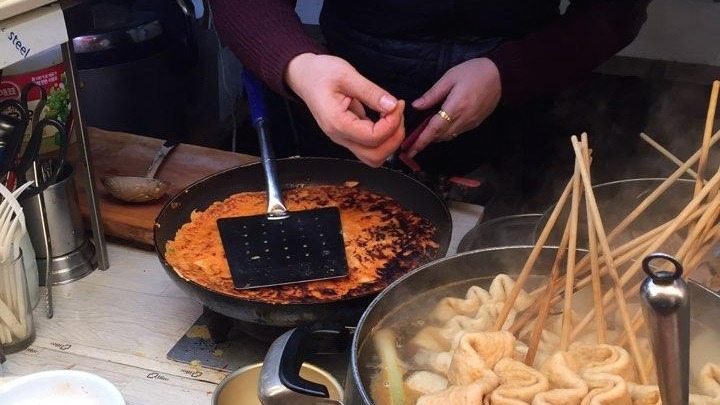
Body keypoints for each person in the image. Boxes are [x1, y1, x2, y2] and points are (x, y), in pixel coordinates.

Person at [208, 0, 651, 210]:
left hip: (523, 119)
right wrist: (301, 66)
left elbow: (616, 10)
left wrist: (509, 71)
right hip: (341, 111)